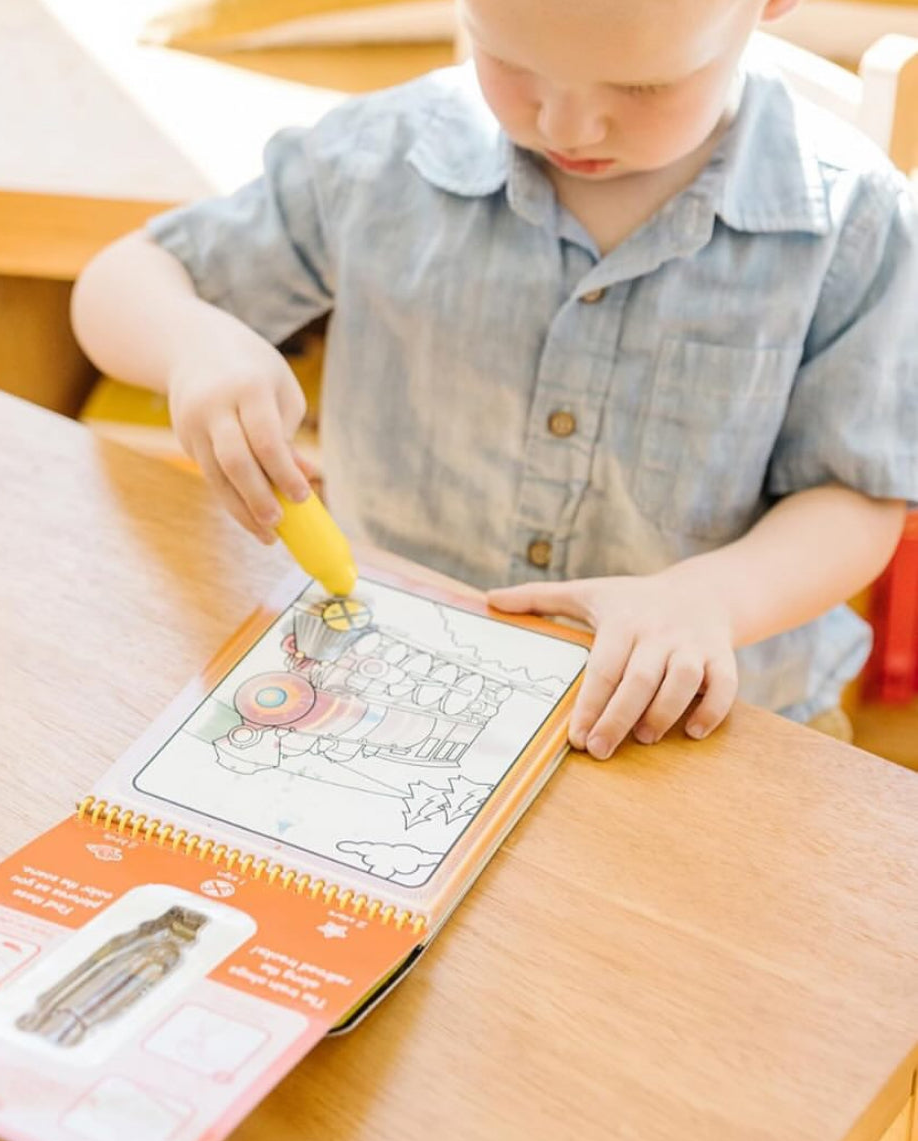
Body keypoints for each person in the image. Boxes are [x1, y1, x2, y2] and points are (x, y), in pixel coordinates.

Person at [71, 0, 917, 759]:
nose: (569, 123)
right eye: (510, 61)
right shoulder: (374, 160)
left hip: (693, 728)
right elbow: (123, 281)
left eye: (646, 86)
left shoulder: (856, 220)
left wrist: (711, 601)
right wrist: (194, 346)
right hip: (394, 689)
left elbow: (857, 495)